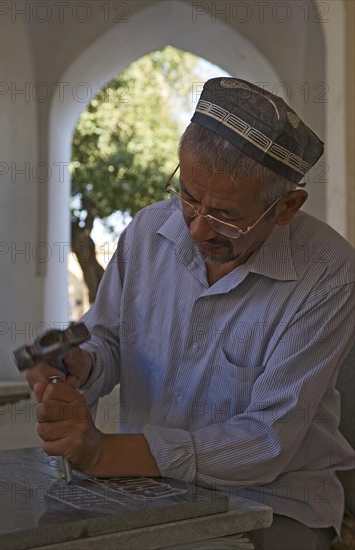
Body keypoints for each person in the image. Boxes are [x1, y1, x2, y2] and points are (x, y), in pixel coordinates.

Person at [27, 78, 355, 550]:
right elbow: (109, 341)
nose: (198, 228)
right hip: (142, 489)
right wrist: (81, 365)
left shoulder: (327, 271)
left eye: (225, 215)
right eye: (188, 196)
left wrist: (103, 453)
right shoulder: (147, 231)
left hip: (271, 501)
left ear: (287, 207)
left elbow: (266, 440)